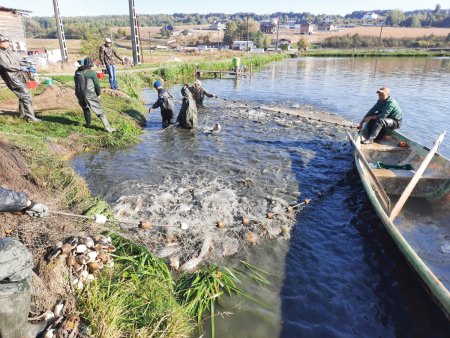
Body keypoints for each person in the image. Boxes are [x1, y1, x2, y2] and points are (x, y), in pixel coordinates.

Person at [0, 34, 41, 122]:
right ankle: (30, 118)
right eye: (4, 41)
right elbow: (7, 65)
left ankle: (23, 115)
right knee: (26, 95)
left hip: (19, 75)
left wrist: (28, 65)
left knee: (23, 95)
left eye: (7, 41)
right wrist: (21, 68)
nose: (7, 43)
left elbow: (19, 61)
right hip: (12, 78)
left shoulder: (9, 51)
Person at [74, 57, 116, 133]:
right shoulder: (91, 72)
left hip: (79, 94)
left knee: (85, 108)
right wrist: (98, 94)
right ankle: (108, 128)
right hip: (90, 94)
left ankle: (88, 124)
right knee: (99, 111)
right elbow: (96, 85)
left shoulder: (77, 72)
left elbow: (76, 82)